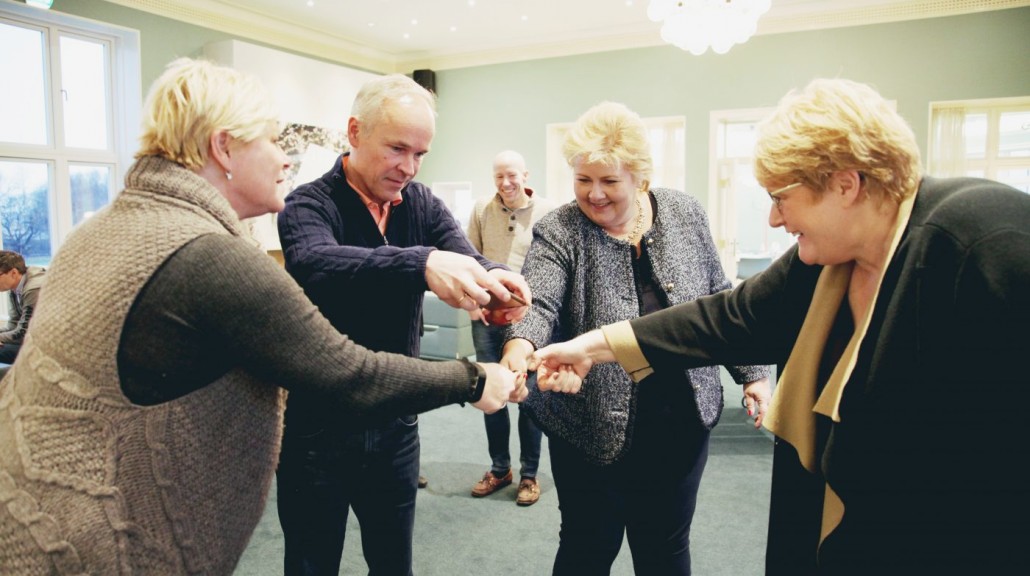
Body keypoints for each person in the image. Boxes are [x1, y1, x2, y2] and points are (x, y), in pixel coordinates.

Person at [0, 58, 522, 576]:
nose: (286, 159)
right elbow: (346, 369)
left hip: (38, 512)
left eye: (419, 153)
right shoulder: (211, 253)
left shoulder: (109, 227)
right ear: (224, 147)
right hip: (99, 538)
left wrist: (498, 283)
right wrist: (474, 377)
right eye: (275, 140)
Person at [531, 79, 1030, 575]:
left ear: (844, 184)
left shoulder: (984, 240)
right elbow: (732, 316)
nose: (772, 218)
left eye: (781, 197)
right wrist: (595, 346)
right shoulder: (826, 258)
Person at [276, 74, 531, 576]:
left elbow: (467, 256)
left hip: (394, 426)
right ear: (354, 132)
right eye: (397, 148)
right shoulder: (308, 204)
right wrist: (419, 263)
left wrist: (502, 281)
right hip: (317, 430)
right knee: (310, 563)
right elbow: (317, 262)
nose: (409, 167)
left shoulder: (420, 203)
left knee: (393, 564)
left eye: (420, 154)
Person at [502, 101, 770, 575]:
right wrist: (519, 349)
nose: (594, 194)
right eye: (584, 180)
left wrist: (751, 373)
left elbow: (718, 298)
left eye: (610, 181)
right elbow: (537, 304)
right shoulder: (559, 230)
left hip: (679, 424)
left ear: (641, 178)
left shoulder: (685, 214)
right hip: (587, 425)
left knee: (664, 549)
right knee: (587, 545)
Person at [466, 150, 557, 506]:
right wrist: (474, 305)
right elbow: (468, 255)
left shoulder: (548, 212)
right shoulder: (480, 211)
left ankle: (529, 475)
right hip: (488, 318)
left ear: (525, 175)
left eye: (512, 176)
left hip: (529, 320)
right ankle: (499, 468)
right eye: (498, 177)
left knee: (528, 397)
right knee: (492, 395)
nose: (505, 183)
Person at [0, 250, 46, 364]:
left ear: (14, 273)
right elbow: (13, 325)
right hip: (32, 339)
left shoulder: (34, 289)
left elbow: (23, 333)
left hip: (47, 346)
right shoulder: (14, 288)